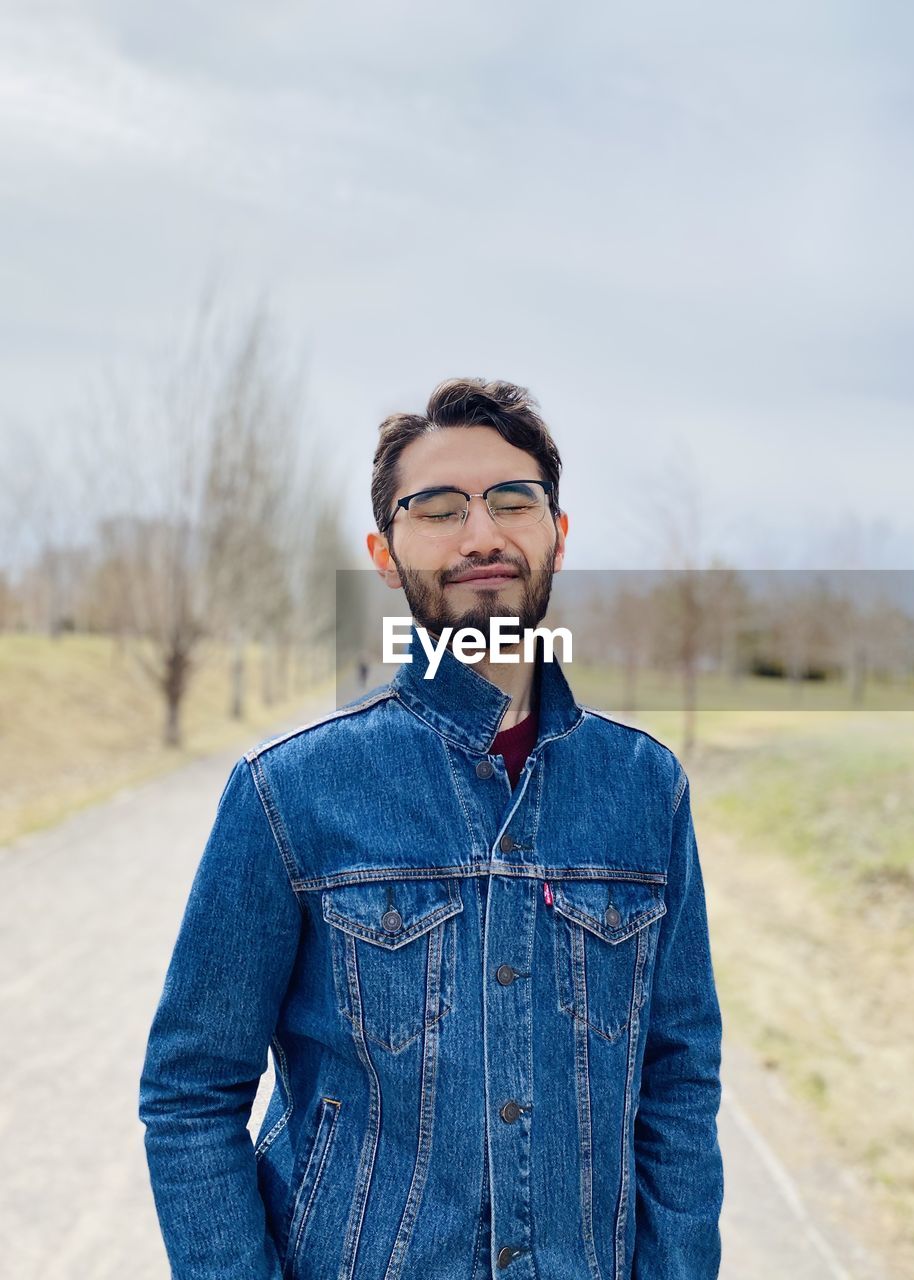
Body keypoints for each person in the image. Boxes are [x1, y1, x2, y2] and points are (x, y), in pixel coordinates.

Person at [138, 376, 724, 1279]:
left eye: (513, 501)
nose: (482, 534)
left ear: (558, 538)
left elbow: (680, 1084)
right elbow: (190, 1092)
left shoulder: (647, 789)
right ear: (384, 553)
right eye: (440, 508)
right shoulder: (288, 792)